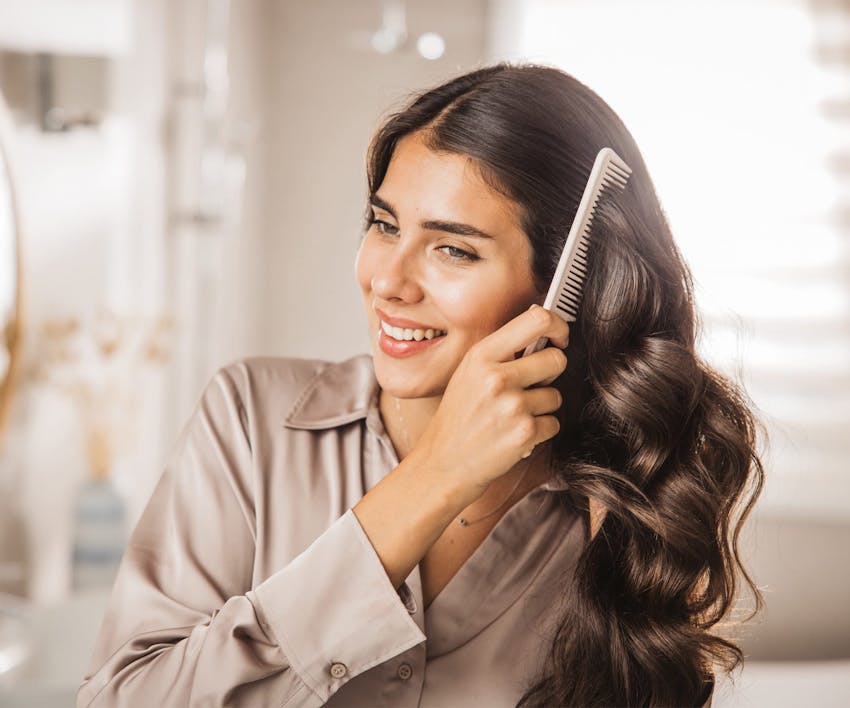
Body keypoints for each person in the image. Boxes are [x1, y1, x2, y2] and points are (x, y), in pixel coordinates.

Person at [77, 62, 764, 707]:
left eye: (452, 249)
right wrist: (435, 477)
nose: (387, 280)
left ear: (567, 287)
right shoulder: (251, 420)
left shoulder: (623, 504)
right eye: (384, 224)